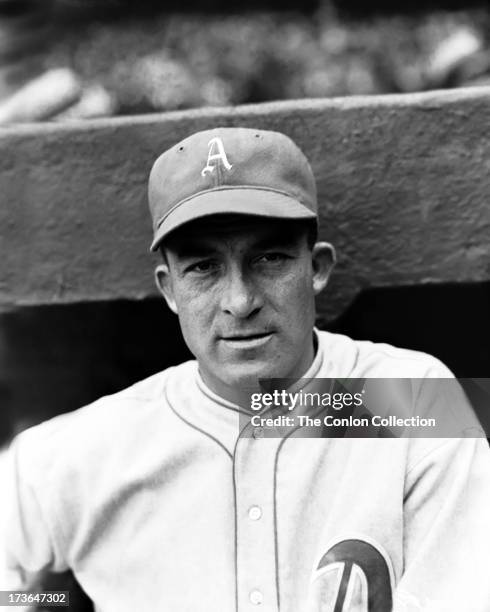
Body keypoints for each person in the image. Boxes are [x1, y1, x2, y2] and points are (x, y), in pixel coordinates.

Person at [2, 127, 489, 612]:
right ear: (169, 290)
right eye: (203, 268)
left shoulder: (416, 398)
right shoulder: (89, 448)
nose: (239, 301)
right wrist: (50, 602)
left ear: (316, 268)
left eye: (269, 258)